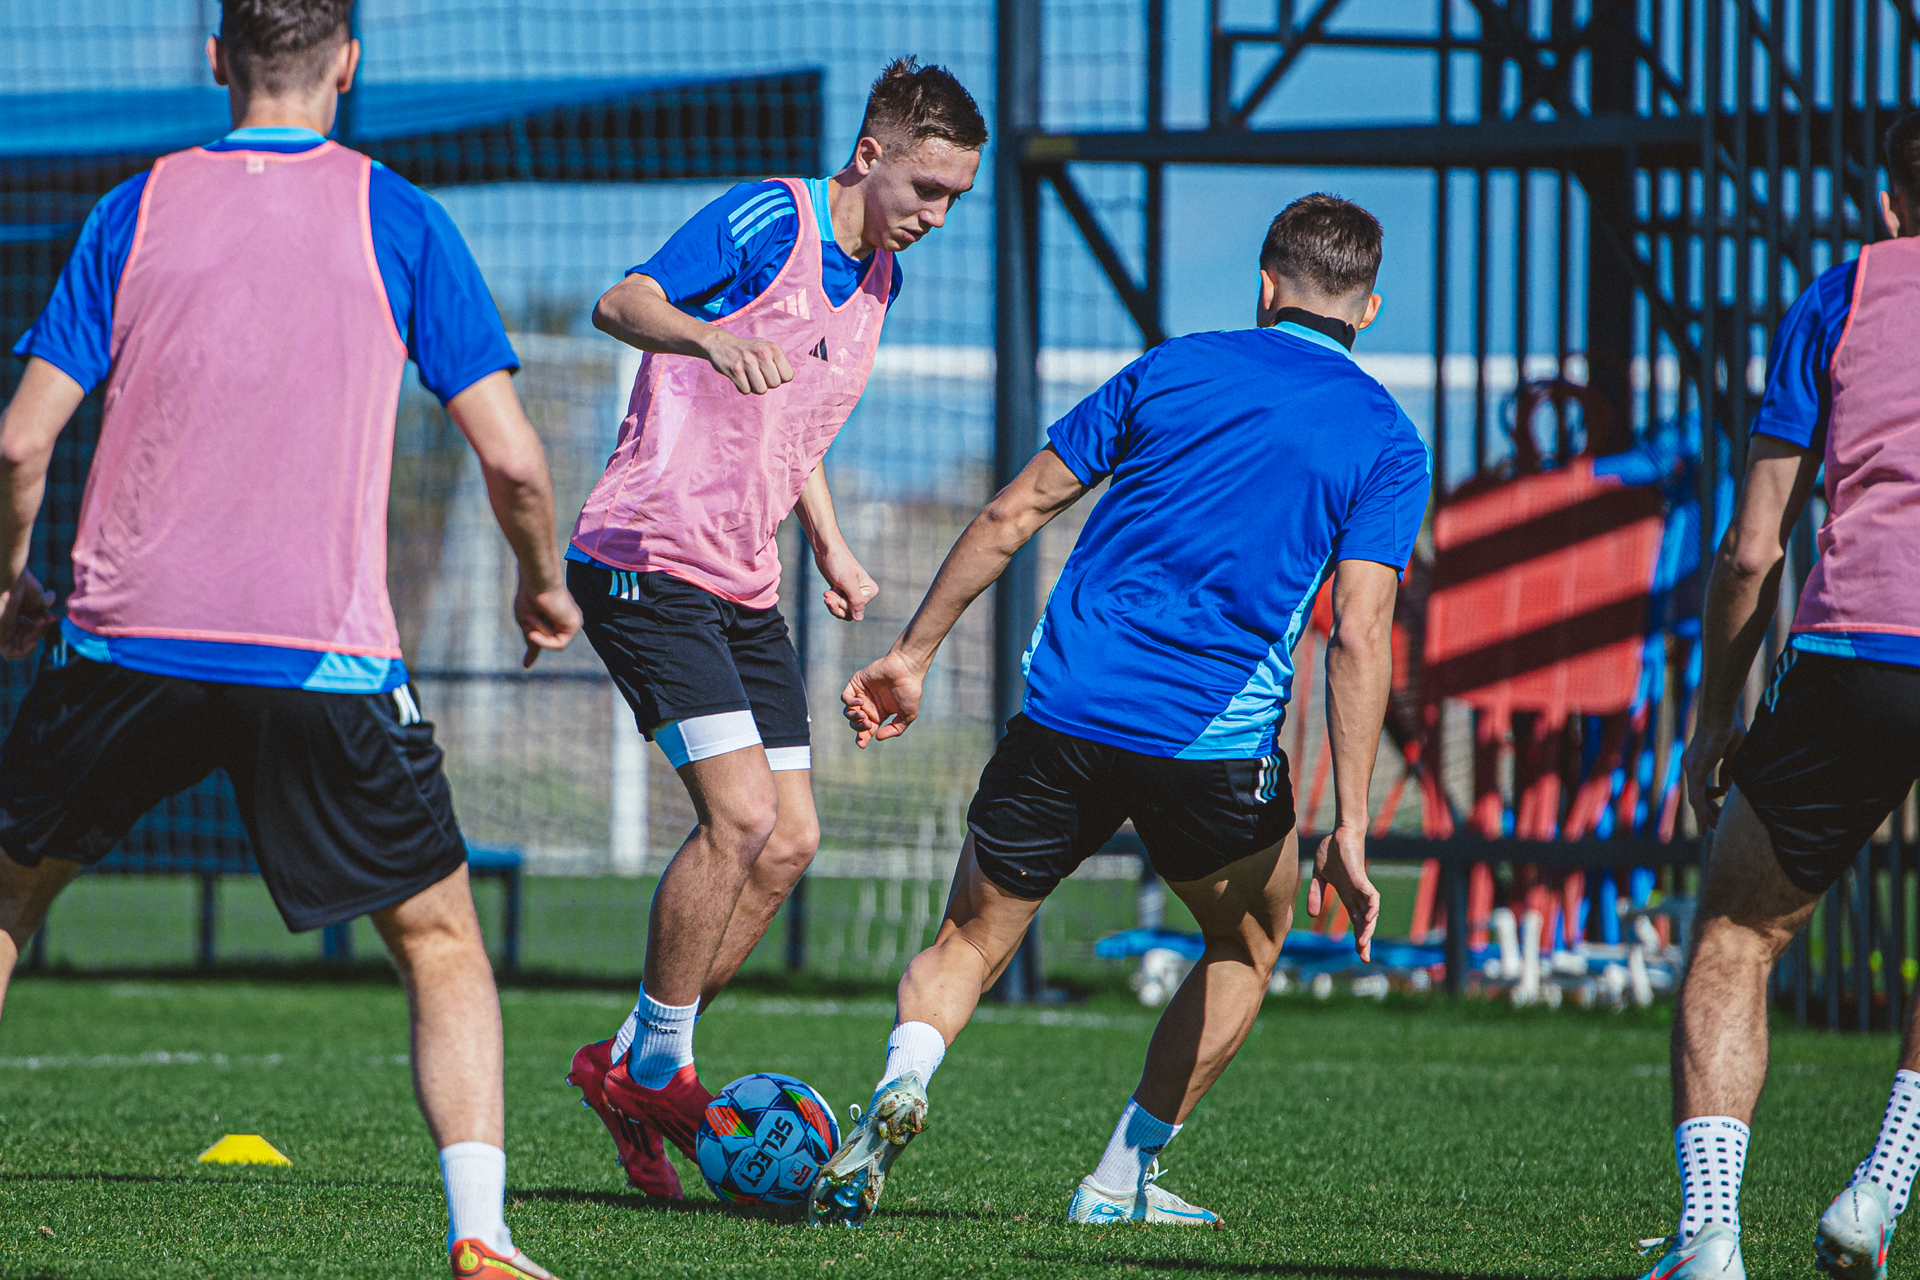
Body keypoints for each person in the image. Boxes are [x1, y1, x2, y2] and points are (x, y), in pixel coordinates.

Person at [0, 4, 581, 1277]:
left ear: (216, 59)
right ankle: (480, 1232)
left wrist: (8, 581)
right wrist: (543, 585)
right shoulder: (400, 216)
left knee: (8, 894)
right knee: (440, 940)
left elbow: (19, 440)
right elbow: (516, 462)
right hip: (321, 659)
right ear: (347, 64)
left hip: (122, 644)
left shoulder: (135, 206)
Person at [811, 193, 1430, 1228]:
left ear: (1265, 287)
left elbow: (1012, 511)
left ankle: (905, 1074)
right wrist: (1354, 824)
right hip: (1209, 742)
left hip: (1066, 710)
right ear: (1368, 309)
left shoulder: (1171, 368)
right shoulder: (1387, 438)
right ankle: (1116, 1179)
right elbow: (1360, 636)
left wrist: (912, 655)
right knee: (1246, 942)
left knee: (968, 940)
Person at [561, 58, 986, 1201]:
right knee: (740, 813)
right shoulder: (772, 218)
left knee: (792, 837)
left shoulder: (883, 280)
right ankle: (655, 1065)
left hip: (743, 582)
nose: (937, 215)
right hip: (646, 556)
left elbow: (794, 431)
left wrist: (832, 546)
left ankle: (632, 1063)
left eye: (955, 198)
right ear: (870, 155)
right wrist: (708, 339)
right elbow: (620, 303)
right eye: (927, 188)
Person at [1644, 109, 1920, 1280]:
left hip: (1860, 649)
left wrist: (1715, 716)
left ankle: (1710, 1235)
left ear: (1889, 202)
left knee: (1738, 930)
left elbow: (1751, 548)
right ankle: (1881, 1190)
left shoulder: (1844, 296)